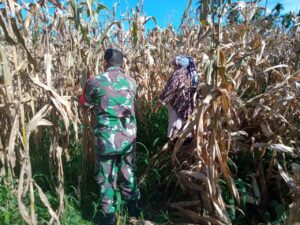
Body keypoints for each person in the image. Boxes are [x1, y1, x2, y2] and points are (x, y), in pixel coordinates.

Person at [80, 49, 140, 225]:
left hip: (106, 138)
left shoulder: (95, 81)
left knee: (106, 176)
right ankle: (134, 209)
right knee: (128, 170)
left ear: (105, 62)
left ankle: (108, 216)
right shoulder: (131, 82)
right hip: (128, 136)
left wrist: (86, 84)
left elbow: (85, 103)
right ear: (122, 64)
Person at [154, 55, 200, 139]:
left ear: (179, 65)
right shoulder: (193, 75)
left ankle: (173, 146)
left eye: (174, 65)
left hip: (177, 106)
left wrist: (159, 102)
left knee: (175, 128)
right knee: (187, 129)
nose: (173, 67)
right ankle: (185, 148)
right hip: (189, 107)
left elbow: (170, 90)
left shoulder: (177, 74)